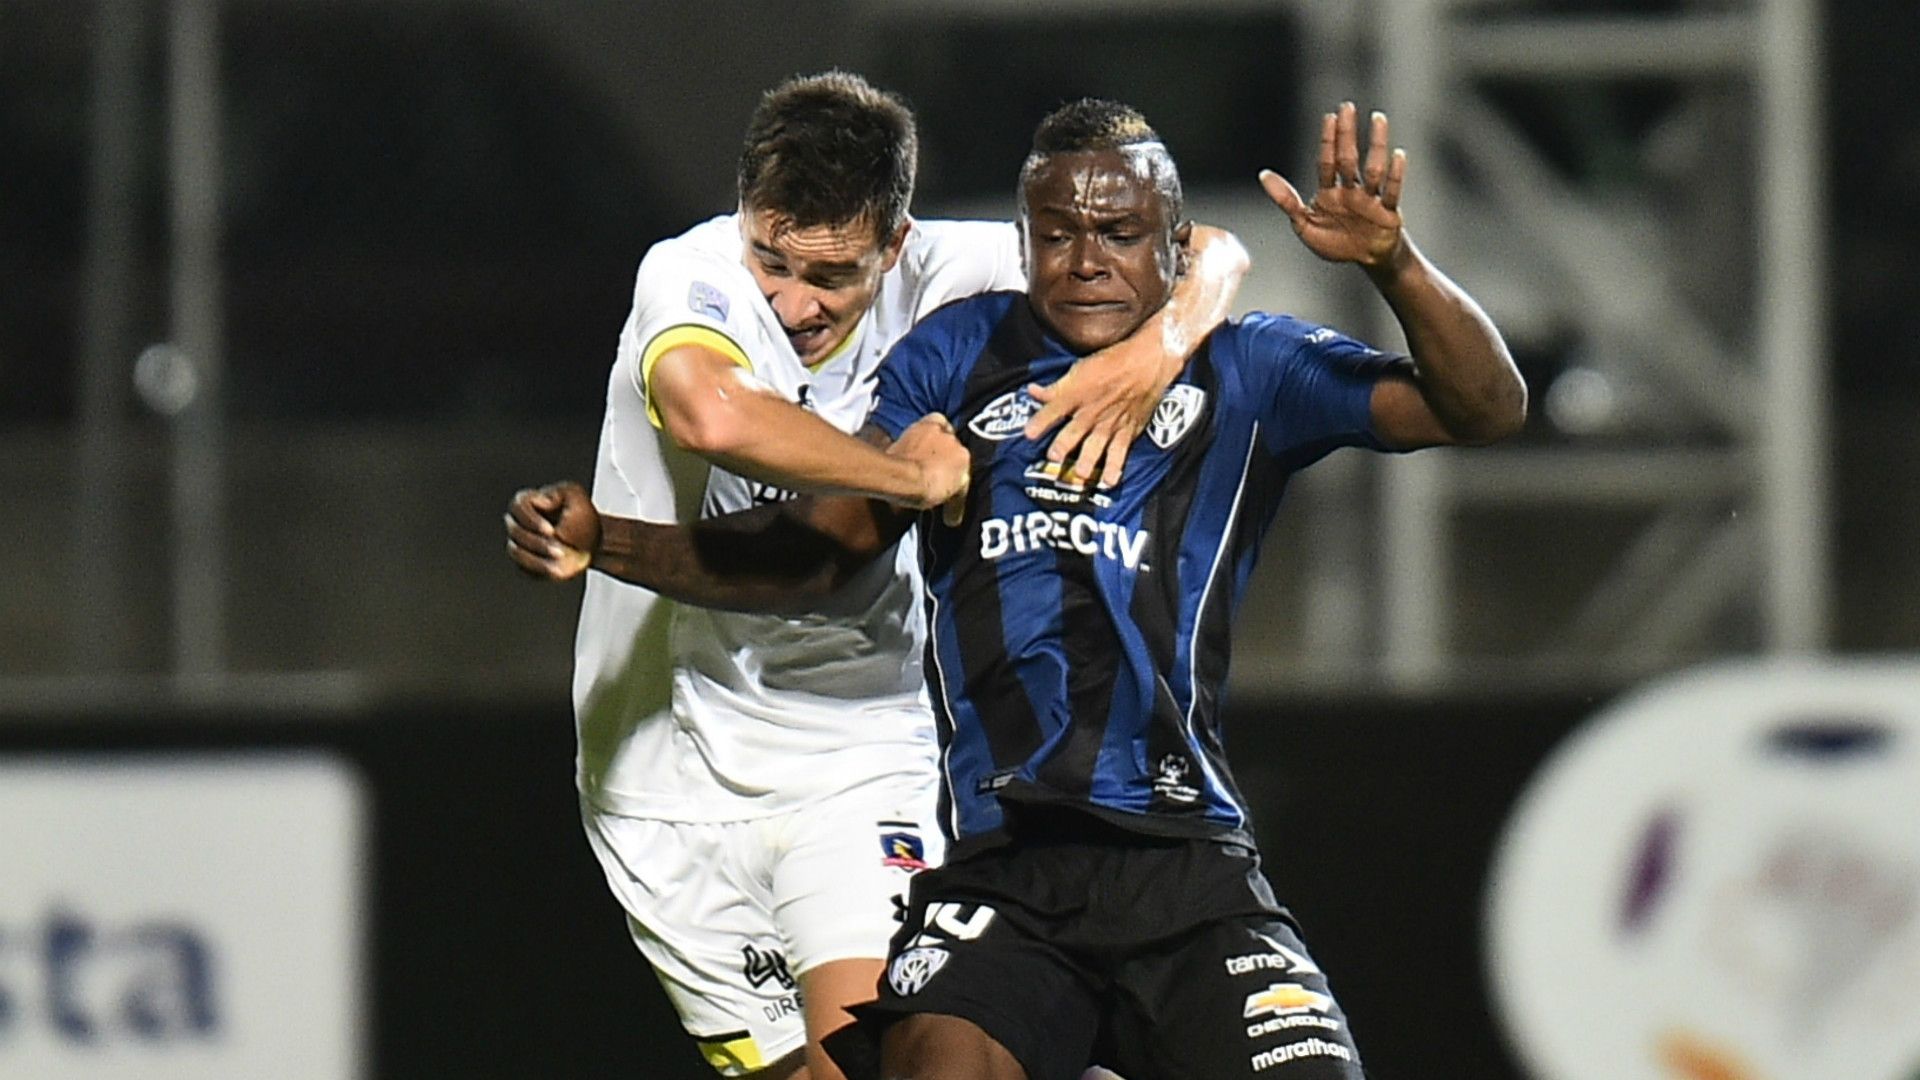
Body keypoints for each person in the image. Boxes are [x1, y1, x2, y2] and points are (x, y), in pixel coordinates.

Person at [510, 97, 1525, 1079]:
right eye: (1058, 236)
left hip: (1183, 858)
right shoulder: (954, 353)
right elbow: (813, 553)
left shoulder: (1250, 367)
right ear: (1025, 241)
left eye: (1119, 234)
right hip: (1001, 867)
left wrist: (1391, 263)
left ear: (1171, 250)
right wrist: (613, 541)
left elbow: (1484, 409)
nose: (1085, 260)